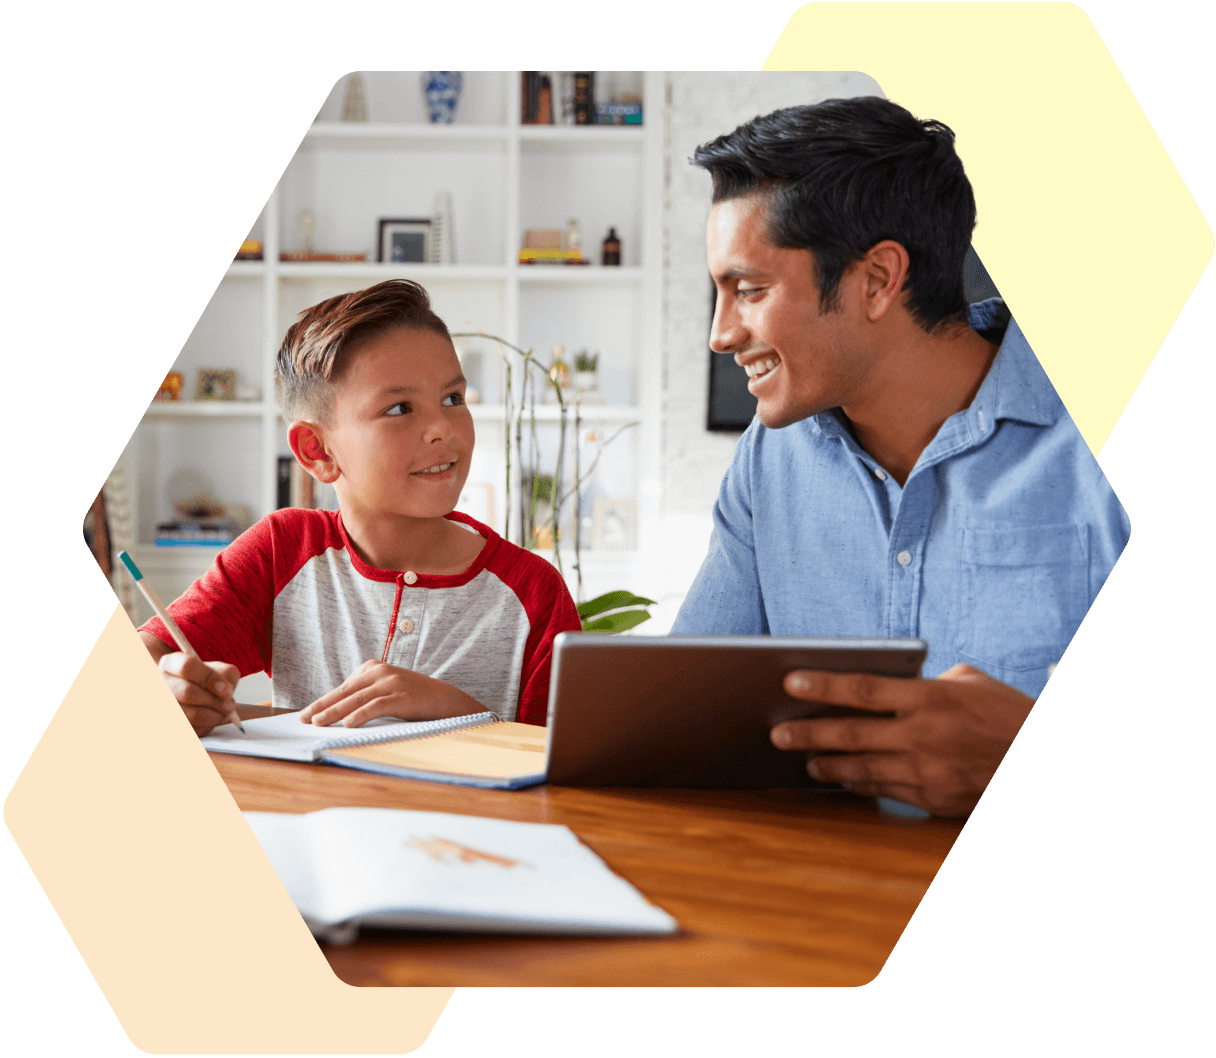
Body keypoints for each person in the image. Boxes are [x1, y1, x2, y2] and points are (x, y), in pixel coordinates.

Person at [673, 98, 1130, 818]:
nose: (721, 334)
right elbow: (684, 719)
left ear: (879, 280)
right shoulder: (771, 458)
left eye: (750, 290)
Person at [140, 279, 581, 736]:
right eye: (399, 409)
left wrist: (457, 712)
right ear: (317, 450)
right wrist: (168, 687)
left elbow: (573, 770)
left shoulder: (534, 594)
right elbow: (140, 663)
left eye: (453, 399)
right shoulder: (282, 552)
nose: (442, 429)